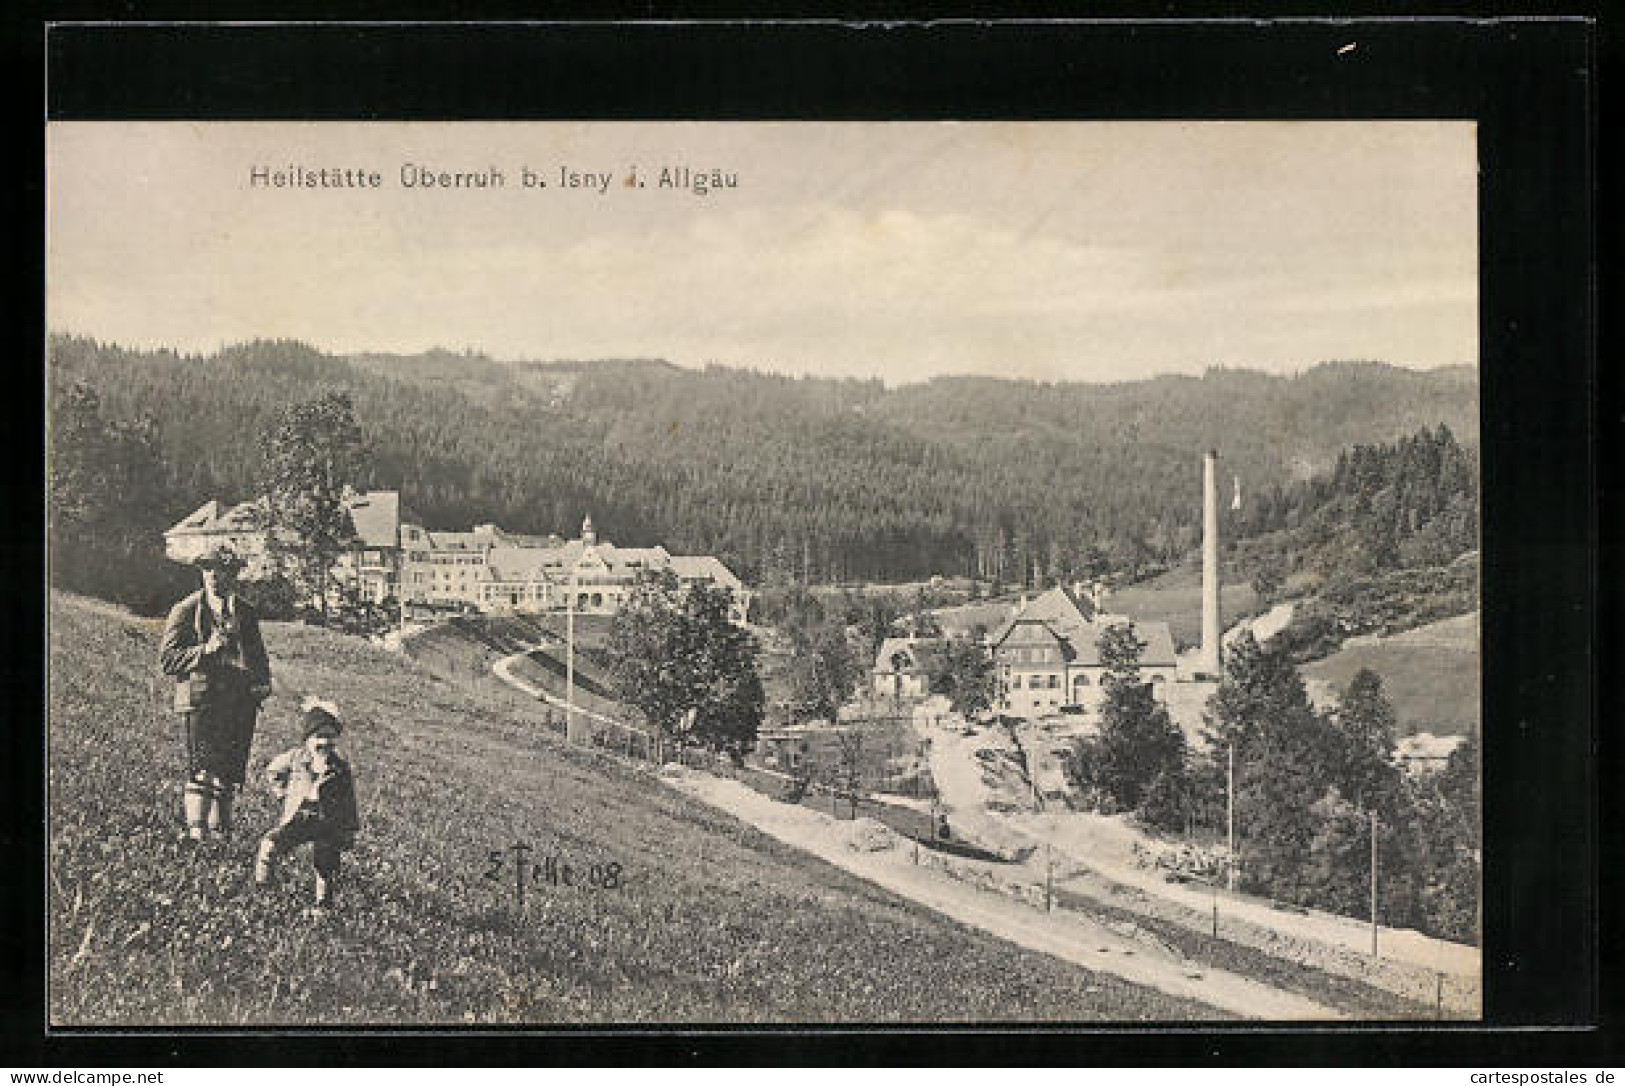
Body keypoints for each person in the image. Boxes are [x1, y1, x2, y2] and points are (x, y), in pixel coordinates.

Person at [160, 543, 272, 844]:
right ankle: (197, 832)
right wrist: (204, 651)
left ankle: (221, 834)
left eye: (221, 570)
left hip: (239, 701)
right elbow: (168, 659)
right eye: (208, 569)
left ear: (233, 574)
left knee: (229, 771)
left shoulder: (245, 613)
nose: (213, 576)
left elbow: (259, 657)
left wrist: (263, 683)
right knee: (203, 767)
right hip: (203, 699)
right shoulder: (187, 610)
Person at [255, 700, 361, 907]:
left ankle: (323, 905)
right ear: (307, 739)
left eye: (330, 737)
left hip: (327, 822)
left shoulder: (339, 768)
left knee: (325, 865)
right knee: (269, 845)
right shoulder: (296, 758)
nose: (324, 743)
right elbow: (273, 771)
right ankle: (263, 891)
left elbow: (349, 801)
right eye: (319, 736)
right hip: (299, 818)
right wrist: (282, 793)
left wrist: (348, 829)